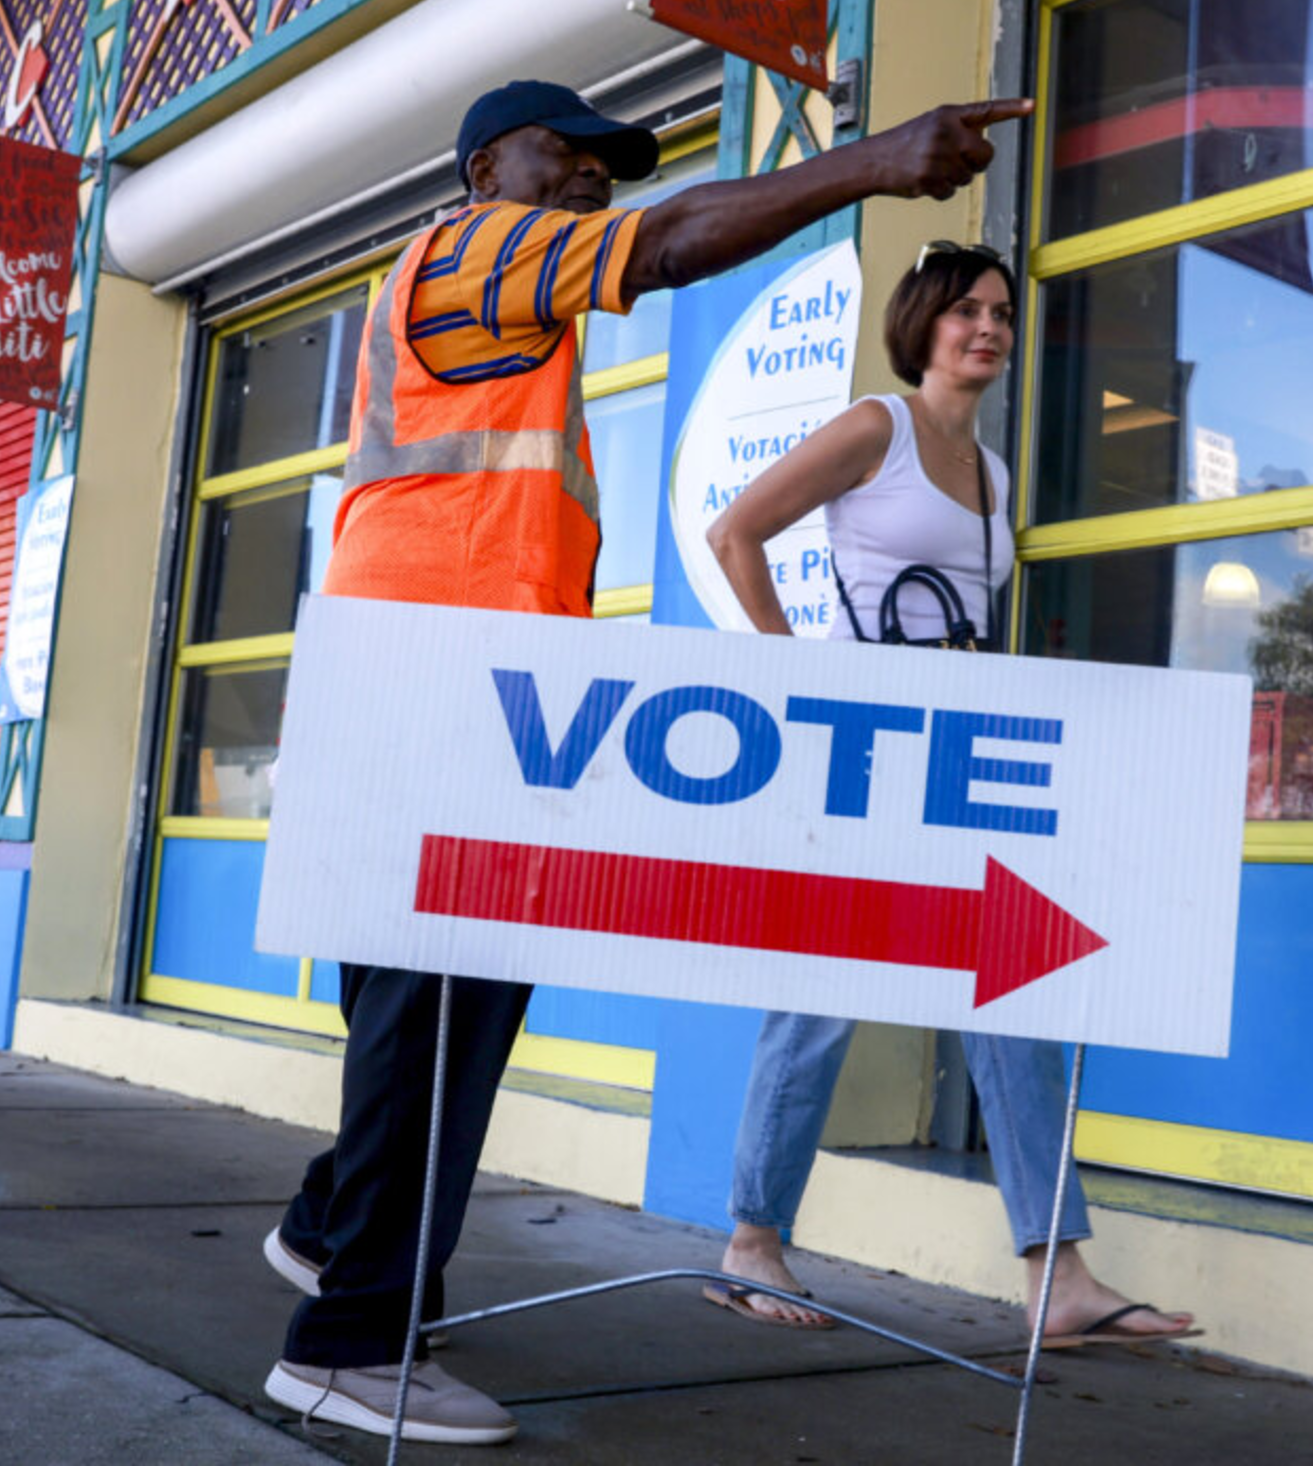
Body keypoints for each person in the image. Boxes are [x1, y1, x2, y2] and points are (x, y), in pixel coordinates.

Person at [255, 80, 1033, 1446]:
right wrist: (875, 162)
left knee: (414, 1017)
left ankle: (332, 1232)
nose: (587, 183)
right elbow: (667, 244)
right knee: (437, 1022)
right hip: (441, 680)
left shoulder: (484, 315)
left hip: (437, 677)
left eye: (602, 170)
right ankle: (347, 1345)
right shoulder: (476, 244)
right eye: (563, 155)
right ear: (486, 164)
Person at [698, 243, 1197, 1348]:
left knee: (1013, 995)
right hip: (867, 749)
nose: (987, 328)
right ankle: (751, 1243)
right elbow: (735, 533)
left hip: (960, 755)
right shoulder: (875, 428)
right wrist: (800, 681)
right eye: (966, 309)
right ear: (921, 325)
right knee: (820, 995)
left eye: (1002, 313)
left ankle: (1057, 1274)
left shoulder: (992, 473)